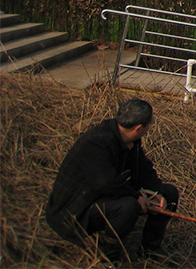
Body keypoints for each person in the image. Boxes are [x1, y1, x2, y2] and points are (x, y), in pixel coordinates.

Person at [47, 99, 179, 263]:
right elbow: (105, 183)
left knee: (170, 192)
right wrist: (137, 198)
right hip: (75, 209)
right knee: (129, 206)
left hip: (107, 196)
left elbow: (144, 170)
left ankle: (151, 248)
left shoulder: (131, 141)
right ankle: (108, 259)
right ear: (138, 128)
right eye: (149, 124)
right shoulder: (97, 143)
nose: (150, 127)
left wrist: (157, 193)